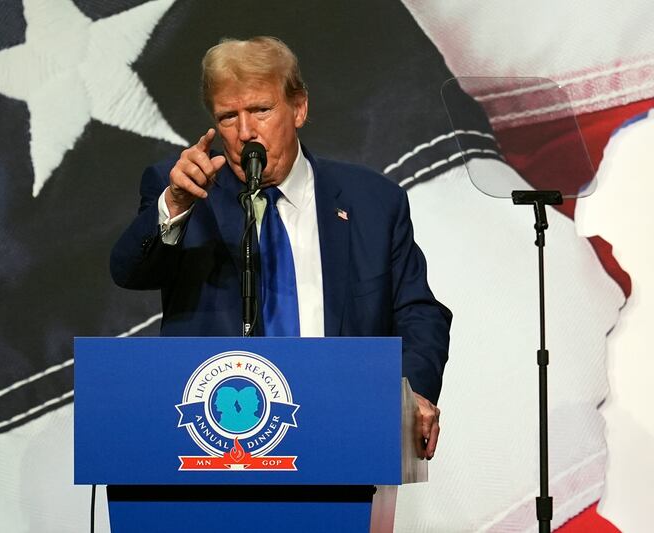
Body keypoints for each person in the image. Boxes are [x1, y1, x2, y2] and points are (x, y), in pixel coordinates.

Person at [110, 36, 451, 459]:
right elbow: (128, 271)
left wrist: (411, 393)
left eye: (260, 110)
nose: (245, 132)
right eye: (228, 117)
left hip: (344, 439)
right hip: (216, 447)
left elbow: (418, 312)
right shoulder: (188, 191)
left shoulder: (373, 202)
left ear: (299, 107)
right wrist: (175, 204)